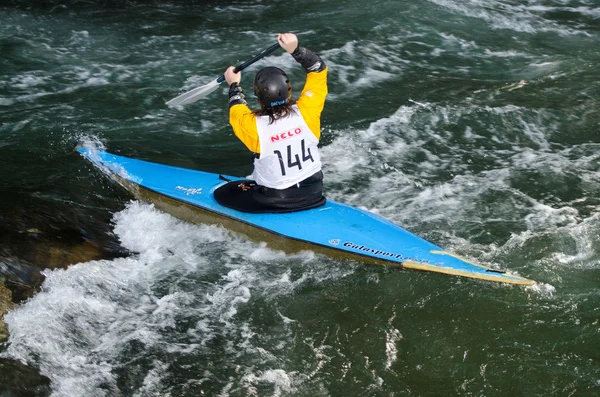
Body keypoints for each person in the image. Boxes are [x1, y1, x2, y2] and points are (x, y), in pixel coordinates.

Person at [213, 32, 328, 213]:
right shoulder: (308, 110)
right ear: (288, 90)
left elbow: (236, 107)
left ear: (258, 96)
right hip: (314, 192)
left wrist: (233, 84)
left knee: (222, 194)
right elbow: (318, 69)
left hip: (275, 200)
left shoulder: (252, 125)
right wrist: (295, 50)